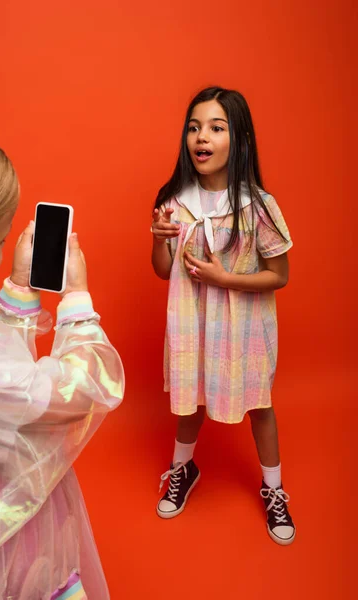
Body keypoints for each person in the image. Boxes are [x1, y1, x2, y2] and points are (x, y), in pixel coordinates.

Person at [0, 130, 124, 598]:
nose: (5, 243)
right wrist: (76, 300)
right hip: (3, 535)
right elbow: (79, 390)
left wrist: (15, 287)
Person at [151, 87, 295, 545]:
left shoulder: (257, 205)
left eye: (216, 127)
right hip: (192, 324)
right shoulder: (175, 198)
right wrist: (158, 239)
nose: (202, 136)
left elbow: (280, 275)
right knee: (190, 399)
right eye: (194, 127)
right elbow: (161, 270)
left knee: (259, 405)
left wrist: (224, 279)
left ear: (241, 140)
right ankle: (182, 468)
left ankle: (274, 490)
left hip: (244, 326)